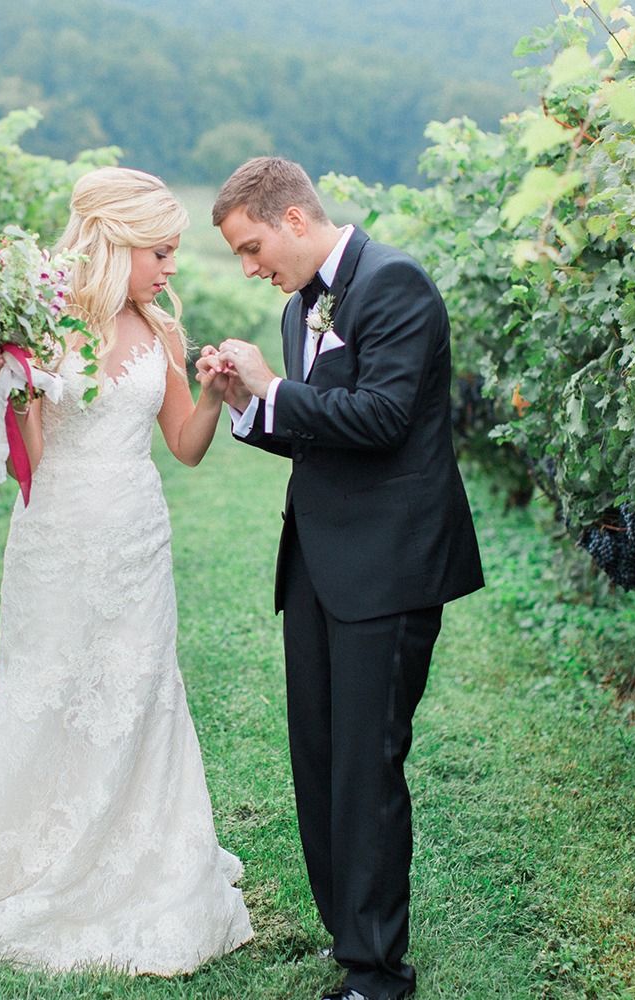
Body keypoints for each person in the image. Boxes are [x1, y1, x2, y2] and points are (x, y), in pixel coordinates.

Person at [0, 166, 253, 975]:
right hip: (56, 538)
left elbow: (185, 446)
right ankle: (31, 857)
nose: (172, 268)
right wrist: (14, 386)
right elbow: (27, 454)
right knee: (47, 686)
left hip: (137, 538)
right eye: (160, 252)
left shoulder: (162, 332)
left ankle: (134, 851)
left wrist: (212, 394)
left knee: (138, 685)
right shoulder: (39, 327)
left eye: (174, 253)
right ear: (116, 243)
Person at [199, 157, 484, 1000]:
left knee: (367, 762)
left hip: (389, 564)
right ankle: (349, 934)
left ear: (292, 219)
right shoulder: (300, 308)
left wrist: (274, 385)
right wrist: (248, 403)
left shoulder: (395, 284)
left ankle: (378, 972)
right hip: (317, 562)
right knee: (320, 756)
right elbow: (320, 432)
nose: (249, 269)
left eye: (251, 248)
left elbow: (385, 418)